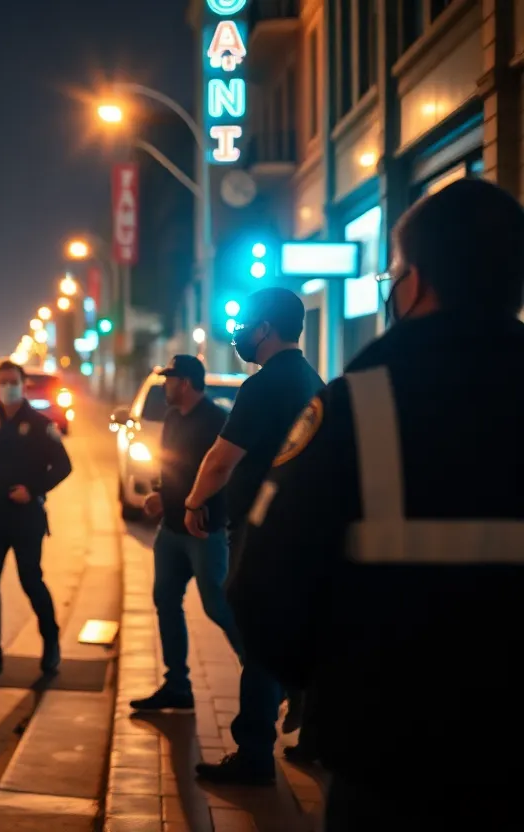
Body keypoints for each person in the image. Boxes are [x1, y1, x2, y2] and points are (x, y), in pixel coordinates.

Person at [229, 178, 524, 830]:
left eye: (396, 272)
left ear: (415, 282)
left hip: (391, 767)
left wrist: (337, 686)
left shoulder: (357, 406)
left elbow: (263, 594)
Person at [183, 287, 323, 786]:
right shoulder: (312, 379)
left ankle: (254, 752)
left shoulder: (262, 386)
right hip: (305, 527)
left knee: (259, 636)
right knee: (299, 630)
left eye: (247, 322)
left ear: (266, 328)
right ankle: (313, 736)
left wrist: (195, 501)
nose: (241, 330)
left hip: (264, 531)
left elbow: (221, 459)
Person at [129, 355, 243, 711]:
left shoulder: (216, 420)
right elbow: (172, 465)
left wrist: (186, 503)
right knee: (165, 600)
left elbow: (219, 473)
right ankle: (177, 685)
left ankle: (267, 676)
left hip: (204, 532)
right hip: (172, 530)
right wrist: (162, 496)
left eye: (170, 379)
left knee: (218, 606)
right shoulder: (173, 417)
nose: (166, 385)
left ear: (188, 383)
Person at [0, 359, 71, 677]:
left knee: (30, 579)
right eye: (2, 382)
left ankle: (51, 643)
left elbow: (63, 466)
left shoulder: (38, 423)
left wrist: (33, 489)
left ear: (23, 385)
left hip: (26, 515)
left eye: (13, 382)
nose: (8, 387)